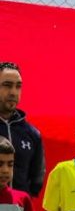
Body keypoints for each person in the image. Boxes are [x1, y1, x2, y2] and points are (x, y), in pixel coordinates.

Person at [0, 62, 45, 197]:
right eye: (7, 85)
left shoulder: (32, 134)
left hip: (18, 209)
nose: (13, 92)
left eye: (18, 86)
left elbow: (37, 179)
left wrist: (21, 200)